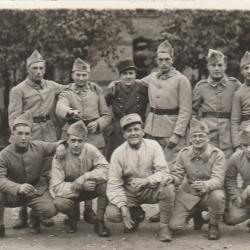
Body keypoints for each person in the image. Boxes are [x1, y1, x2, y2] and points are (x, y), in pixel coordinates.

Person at [8, 50, 67, 229]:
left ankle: (41, 212)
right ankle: (23, 214)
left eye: (41, 68)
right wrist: (19, 136)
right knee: (23, 172)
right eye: (35, 68)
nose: (39, 71)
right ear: (28, 69)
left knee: (46, 171)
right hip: (28, 132)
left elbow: (69, 89)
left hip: (48, 130)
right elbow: (13, 116)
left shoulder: (50, 86)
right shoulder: (18, 90)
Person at [55, 57, 111, 224]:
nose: (81, 78)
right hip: (72, 135)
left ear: (89, 75)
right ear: (72, 74)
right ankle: (72, 212)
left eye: (84, 74)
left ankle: (88, 210)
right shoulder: (66, 92)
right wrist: (70, 112)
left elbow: (107, 115)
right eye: (78, 74)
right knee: (71, 171)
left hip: (94, 136)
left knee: (92, 170)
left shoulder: (96, 90)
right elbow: (60, 107)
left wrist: (99, 123)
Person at [106, 113, 175, 242]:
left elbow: (164, 172)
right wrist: (123, 207)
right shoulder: (118, 153)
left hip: (150, 188)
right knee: (113, 214)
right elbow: (114, 184)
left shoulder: (153, 146)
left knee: (168, 188)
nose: (133, 133)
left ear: (143, 131)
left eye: (136, 129)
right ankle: (135, 213)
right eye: (129, 130)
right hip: (130, 192)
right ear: (124, 134)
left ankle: (164, 227)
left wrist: (148, 181)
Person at [0, 115, 62, 237]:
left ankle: (34, 216)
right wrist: (17, 187)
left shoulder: (38, 146)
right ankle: (0, 224)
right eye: (20, 133)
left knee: (50, 210)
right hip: (14, 193)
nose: (24, 137)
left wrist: (61, 147)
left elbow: (57, 144)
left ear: (31, 135)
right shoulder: (4, 154)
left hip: (35, 191)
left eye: (27, 134)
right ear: (13, 134)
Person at [167, 119, 226, 240]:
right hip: (190, 196)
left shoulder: (217, 154)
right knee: (174, 226)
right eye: (194, 136)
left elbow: (218, 179)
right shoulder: (184, 153)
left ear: (208, 138)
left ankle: (213, 225)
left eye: (201, 136)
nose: (197, 139)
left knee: (218, 196)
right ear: (190, 139)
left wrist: (205, 185)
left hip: (209, 194)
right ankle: (196, 213)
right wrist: (171, 179)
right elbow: (178, 175)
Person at [50, 120, 110, 237]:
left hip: (89, 188)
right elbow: (56, 187)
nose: (76, 144)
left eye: (80, 141)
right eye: (73, 140)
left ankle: (100, 221)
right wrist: (79, 186)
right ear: (67, 140)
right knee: (59, 202)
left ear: (85, 141)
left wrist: (85, 177)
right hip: (71, 192)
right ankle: (72, 218)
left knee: (105, 185)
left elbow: (106, 169)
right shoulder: (60, 155)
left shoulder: (91, 149)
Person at [193, 49, 241, 159]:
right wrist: (199, 130)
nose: (216, 68)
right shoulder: (201, 87)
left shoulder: (234, 84)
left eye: (220, 65)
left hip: (228, 132)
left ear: (225, 66)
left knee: (228, 165)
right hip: (208, 133)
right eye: (213, 65)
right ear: (208, 66)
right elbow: (193, 112)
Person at [105, 59, 148, 160]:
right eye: (125, 74)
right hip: (118, 132)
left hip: (136, 131)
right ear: (120, 76)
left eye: (131, 73)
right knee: (116, 160)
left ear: (135, 75)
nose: (128, 76)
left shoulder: (143, 89)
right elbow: (103, 107)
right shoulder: (114, 89)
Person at [224, 125, 250, 228]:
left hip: (248, 191)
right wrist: (236, 197)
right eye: (245, 145)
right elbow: (230, 179)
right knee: (232, 218)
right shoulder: (236, 157)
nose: (249, 149)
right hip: (247, 196)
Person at [231, 51, 250, 151]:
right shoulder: (238, 93)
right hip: (246, 134)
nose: (249, 71)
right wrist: (237, 145)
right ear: (241, 71)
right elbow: (235, 121)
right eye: (246, 68)